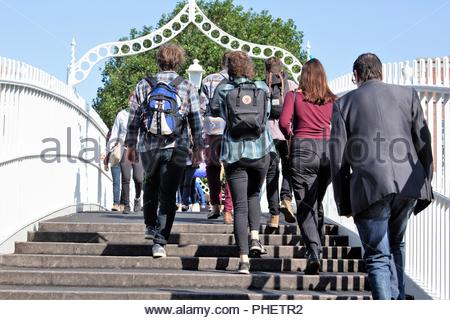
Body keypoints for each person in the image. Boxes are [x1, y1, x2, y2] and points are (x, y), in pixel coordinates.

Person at [329, 53, 433, 299]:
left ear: (356, 76)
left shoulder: (344, 105)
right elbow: (424, 144)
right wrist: (424, 182)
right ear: (382, 73)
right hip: (408, 185)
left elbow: (337, 159)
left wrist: (344, 201)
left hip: (370, 187)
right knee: (396, 245)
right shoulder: (408, 95)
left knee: (377, 256)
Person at [125, 43, 203, 259]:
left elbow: (133, 119)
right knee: (168, 194)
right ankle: (160, 242)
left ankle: (150, 226)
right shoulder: (187, 86)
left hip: (149, 145)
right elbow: (195, 120)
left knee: (151, 184)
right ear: (179, 62)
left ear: (158, 60)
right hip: (177, 146)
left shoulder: (144, 84)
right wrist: (198, 148)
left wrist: (130, 146)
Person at [217, 50, 275, 274]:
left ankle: (243, 261)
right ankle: (255, 238)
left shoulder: (224, 89)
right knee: (254, 196)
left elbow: (219, 112)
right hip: (261, 150)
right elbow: (267, 115)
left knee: (239, 205)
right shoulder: (261, 87)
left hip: (234, 151)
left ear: (230, 68)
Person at [279, 58, 337, 275]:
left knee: (305, 205)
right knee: (316, 200)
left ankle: (313, 251)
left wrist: (290, 137)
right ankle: (318, 245)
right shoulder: (333, 100)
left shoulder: (294, 96)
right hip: (328, 151)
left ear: (303, 76)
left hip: (303, 150)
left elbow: (284, 123)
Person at [201, 52, 234, 224]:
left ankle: (215, 205)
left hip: (212, 129)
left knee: (212, 167)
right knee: (231, 169)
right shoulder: (238, 80)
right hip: (232, 129)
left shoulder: (208, 80)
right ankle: (228, 209)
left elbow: (201, 107)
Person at [264, 57, 296, 228]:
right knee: (289, 167)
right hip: (287, 133)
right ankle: (286, 199)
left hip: (268, 135)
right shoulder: (290, 85)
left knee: (272, 173)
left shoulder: (262, 85)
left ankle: (274, 215)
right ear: (281, 68)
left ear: (266, 69)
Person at [108, 93, 144, 214]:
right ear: (128, 101)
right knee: (126, 178)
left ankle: (137, 198)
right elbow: (114, 132)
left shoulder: (143, 115)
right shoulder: (121, 115)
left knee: (138, 179)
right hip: (125, 148)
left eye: (135, 100)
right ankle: (127, 205)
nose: (132, 102)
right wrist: (108, 150)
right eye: (131, 99)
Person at [103, 130, 121, 211]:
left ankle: (117, 204)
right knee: (119, 181)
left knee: (117, 182)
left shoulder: (111, 132)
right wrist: (106, 163)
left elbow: (107, 147)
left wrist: (106, 163)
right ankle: (117, 203)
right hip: (117, 158)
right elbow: (107, 148)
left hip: (115, 158)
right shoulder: (111, 132)